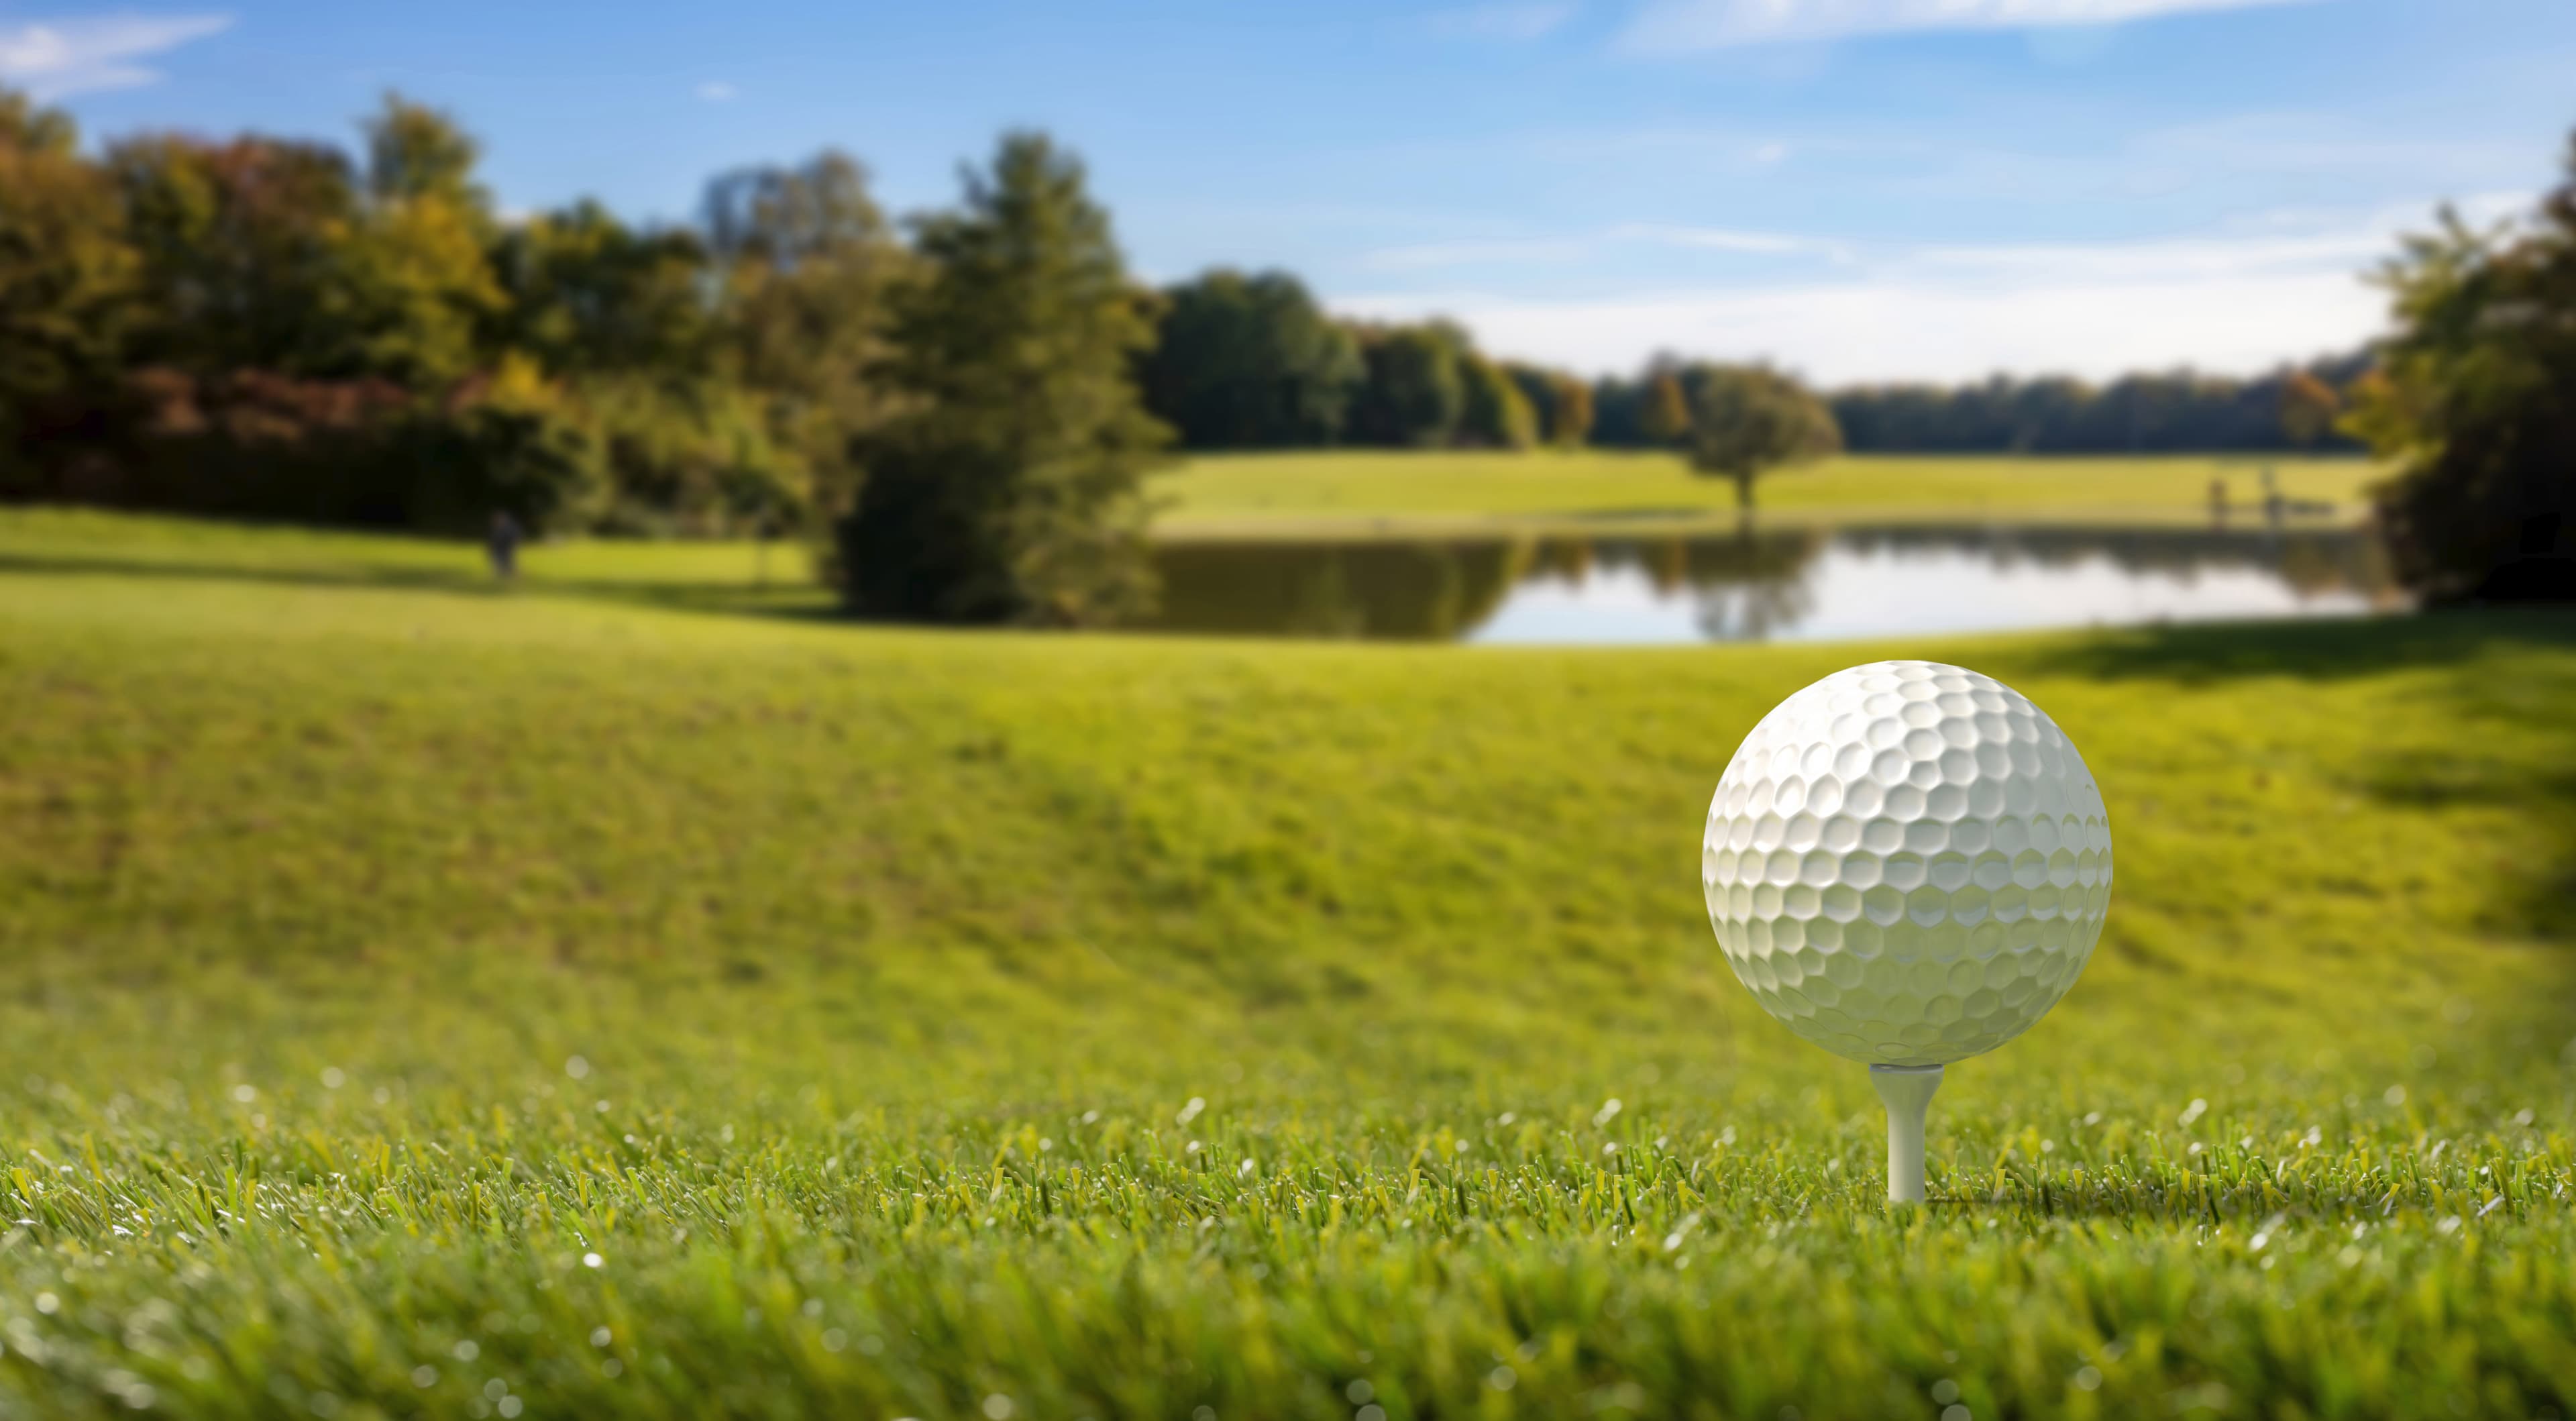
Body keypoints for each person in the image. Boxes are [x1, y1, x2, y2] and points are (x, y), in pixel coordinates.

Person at [487, 511, 523, 581]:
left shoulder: (509, 528)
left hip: (505, 548)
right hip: (498, 548)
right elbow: (495, 538)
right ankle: (503, 575)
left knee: (507, 562)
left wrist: (513, 545)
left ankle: (511, 575)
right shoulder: (499, 527)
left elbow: (514, 537)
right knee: (499, 562)